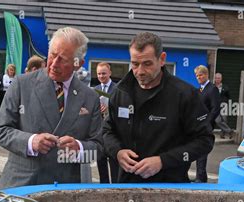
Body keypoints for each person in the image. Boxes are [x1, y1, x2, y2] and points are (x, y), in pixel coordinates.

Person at [0, 27, 103, 189]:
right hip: (22, 186)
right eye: (52, 55)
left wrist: (78, 149)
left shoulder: (90, 97)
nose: (54, 64)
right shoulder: (21, 84)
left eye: (63, 59)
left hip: (64, 190)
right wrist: (31, 142)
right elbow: (0, 130)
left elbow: (98, 149)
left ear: (78, 64)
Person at [103, 32, 214, 183]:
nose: (140, 71)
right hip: (126, 186)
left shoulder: (184, 95)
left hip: (170, 187)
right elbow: (107, 131)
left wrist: (163, 161)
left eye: (147, 64)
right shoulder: (121, 92)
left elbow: (204, 141)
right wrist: (117, 152)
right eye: (135, 64)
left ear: (162, 59)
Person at [194, 65, 220, 183]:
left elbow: (215, 109)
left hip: (206, 126)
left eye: (200, 75)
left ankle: (201, 177)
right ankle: (200, 176)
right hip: (198, 125)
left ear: (206, 75)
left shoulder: (212, 89)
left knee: (202, 150)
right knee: (198, 150)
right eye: (197, 76)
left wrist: (207, 123)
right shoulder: (200, 89)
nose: (198, 77)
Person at [94, 62, 118, 183]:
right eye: (99, 74)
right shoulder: (95, 90)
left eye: (103, 73)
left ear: (110, 73)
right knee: (101, 163)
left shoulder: (118, 88)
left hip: (113, 132)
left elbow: (121, 108)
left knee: (114, 166)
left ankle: (115, 189)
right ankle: (103, 187)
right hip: (99, 133)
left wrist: (109, 108)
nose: (101, 76)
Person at [214, 72, 234, 139]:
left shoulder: (225, 87)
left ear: (221, 79)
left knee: (224, 120)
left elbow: (228, 96)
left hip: (223, 105)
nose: (217, 79)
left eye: (219, 78)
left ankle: (222, 134)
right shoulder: (211, 87)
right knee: (217, 120)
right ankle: (230, 131)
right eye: (216, 78)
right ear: (214, 79)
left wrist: (225, 102)